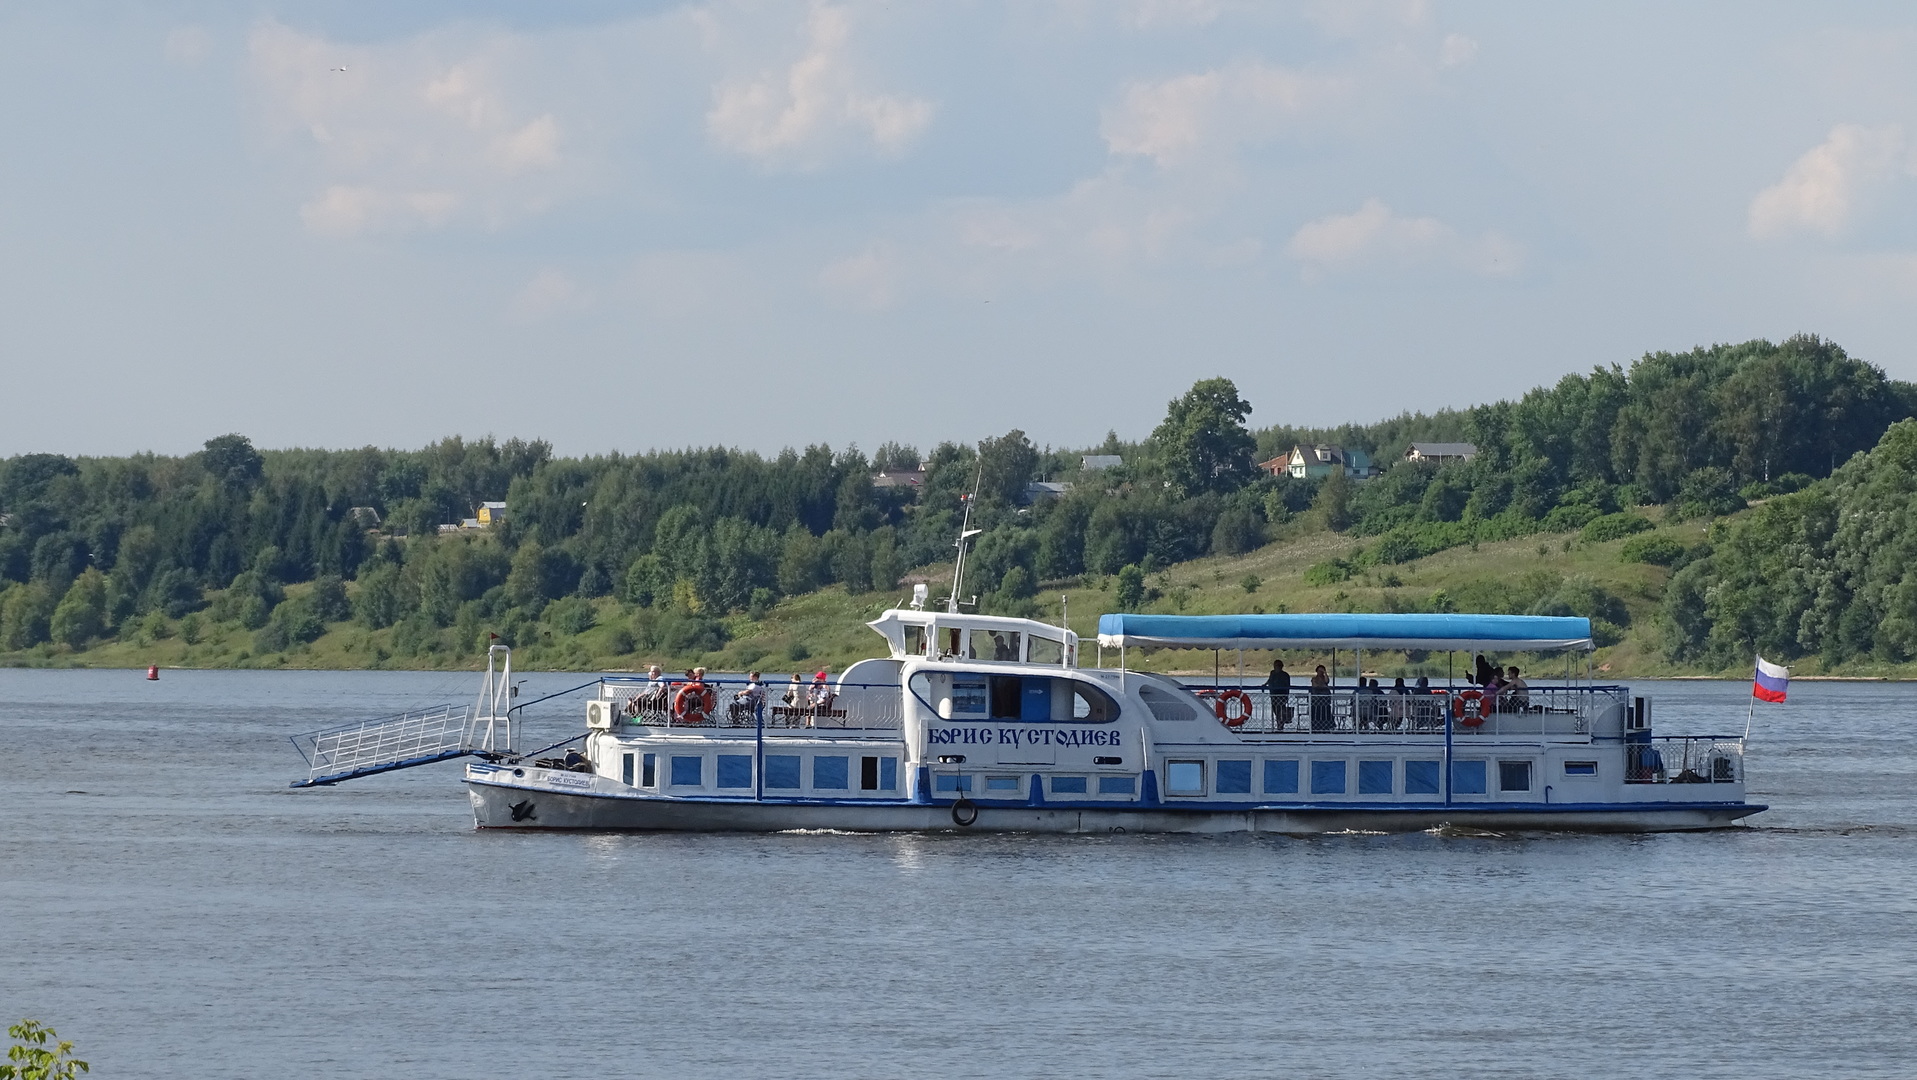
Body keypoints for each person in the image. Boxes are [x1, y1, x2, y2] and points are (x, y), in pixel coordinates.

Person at [1263, 659, 1292, 728]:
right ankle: (1279, 723)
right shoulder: (1272, 673)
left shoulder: (1285, 675)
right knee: (1275, 709)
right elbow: (1270, 680)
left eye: (1278, 665)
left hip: (1282, 694)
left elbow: (1287, 685)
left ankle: (1280, 724)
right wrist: (1264, 685)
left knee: (1281, 710)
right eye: (1275, 665)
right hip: (1273, 694)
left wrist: (1286, 696)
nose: (1277, 667)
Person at [1309, 664, 1332, 732]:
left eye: (1322, 671)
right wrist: (1323, 686)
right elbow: (1315, 686)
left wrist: (1325, 673)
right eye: (1319, 671)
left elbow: (1327, 681)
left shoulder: (1324, 678)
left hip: (1325, 699)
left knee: (1326, 710)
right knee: (1316, 711)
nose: (1320, 673)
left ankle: (1326, 725)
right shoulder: (1314, 679)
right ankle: (1315, 725)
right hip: (1316, 700)